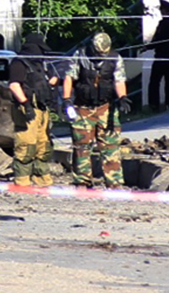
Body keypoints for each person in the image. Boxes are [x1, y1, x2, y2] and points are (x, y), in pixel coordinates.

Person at [62, 32, 131, 188]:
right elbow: (69, 77)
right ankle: (82, 181)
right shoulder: (80, 56)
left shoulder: (115, 58)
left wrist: (122, 97)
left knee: (110, 145)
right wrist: (67, 100)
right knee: (81, 146)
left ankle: (114, 182)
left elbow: (119, 80)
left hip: (106, 107)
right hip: (83, 108)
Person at [8, 33, 58, 187]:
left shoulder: (40, 64)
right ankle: (22, 181)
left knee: (43, 145)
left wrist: (50, 86)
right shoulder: (19, 63)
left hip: (42, 108)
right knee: (26, 145)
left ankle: (41, 179)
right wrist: (26, 104)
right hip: (27, 109)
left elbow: (54, 77)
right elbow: (14, 85)